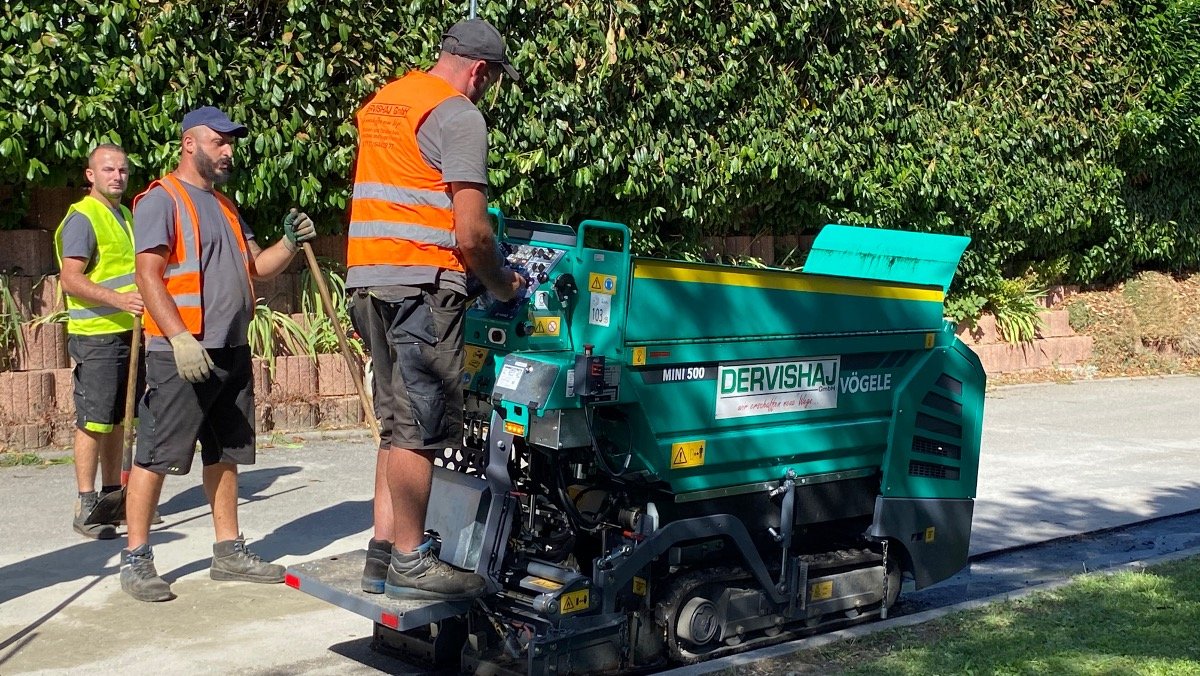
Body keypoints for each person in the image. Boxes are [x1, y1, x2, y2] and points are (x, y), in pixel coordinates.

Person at [346, 18, 525, 601]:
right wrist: (504, 286)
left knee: (396, 425)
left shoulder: (386, 102)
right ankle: (409, 561)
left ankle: (380, 553)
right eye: (492, 80)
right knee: (420, 429)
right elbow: (472, 234)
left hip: (369, 279)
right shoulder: (457, 113)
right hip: (421, 284)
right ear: (479, 71)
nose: (488, 91)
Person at [120, 106, 317, 602]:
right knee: (158, 455)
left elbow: (259, 267)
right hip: (181, 352)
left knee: (225, 452)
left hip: (230, 347)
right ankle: (136, 558)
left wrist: (290, 243)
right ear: (190, 143)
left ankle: (228, 551)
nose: (228, 150)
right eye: (219, 141)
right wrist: (179, 337)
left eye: (231, 142)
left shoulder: (226, 206)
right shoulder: (160, 200)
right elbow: (148, 274)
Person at [54, 144, 143, 540]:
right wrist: (119, 300)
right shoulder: (83, 217)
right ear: (91, 175)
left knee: (117, 420)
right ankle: (86, 503)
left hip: (128, 331)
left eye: (122, 170)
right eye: (108, 169)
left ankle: (112, 496)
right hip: (96, 336)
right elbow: (70, 278)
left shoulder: (124, 215)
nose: (117, 176)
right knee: (93, 420)